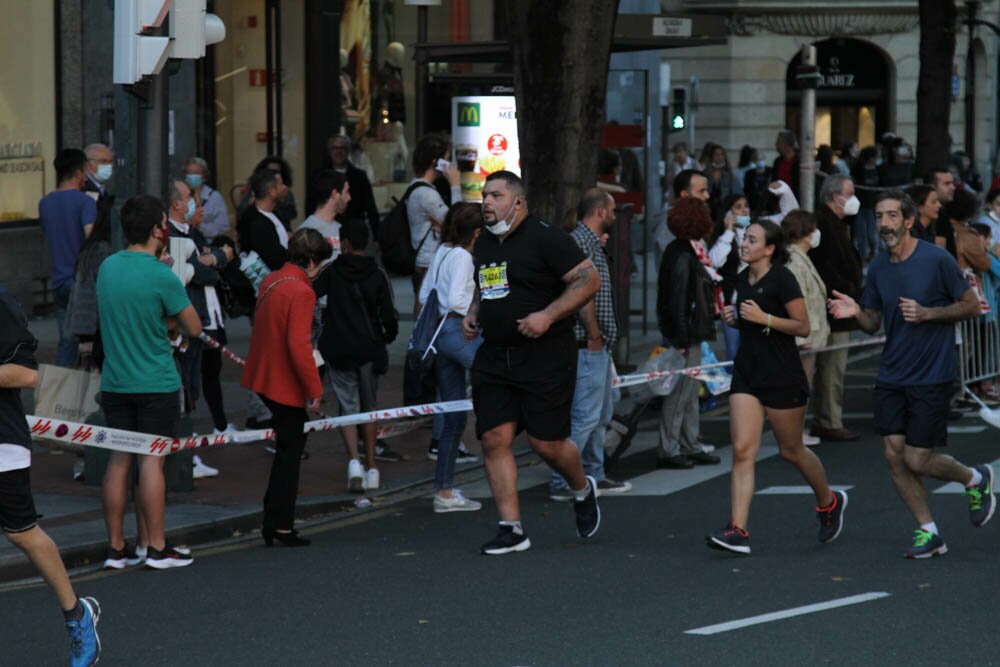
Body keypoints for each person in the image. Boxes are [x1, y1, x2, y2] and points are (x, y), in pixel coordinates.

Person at [829, 190, 995, 558]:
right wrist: (855, 310)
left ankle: (975, 478)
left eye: (891, 216)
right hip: (892, 373)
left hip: (932, 372)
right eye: (879, 216)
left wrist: (928, 314)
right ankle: (929, 530)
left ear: (908, 221)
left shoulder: (936, 259)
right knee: (893, 456)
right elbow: (873, 323)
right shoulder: (880, 267)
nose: (884, 223)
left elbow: (971, 305)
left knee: (917, 459)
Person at [462, 170, 601, 554]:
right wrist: (474, 311)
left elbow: (588, 281)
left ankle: (581, 487)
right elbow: (486, 282)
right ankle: (512, 528)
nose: (486, 202)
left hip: (545, 355)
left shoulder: (546, 237)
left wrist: (548, 316)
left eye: (495, 196)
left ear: (517, 202)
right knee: (494, 438)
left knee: (546, 444)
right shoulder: (485, 242)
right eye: (484, 195)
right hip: (494, 355)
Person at [708, 220, 846, 555]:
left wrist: (764, 319)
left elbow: (802, 326)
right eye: (744, 237)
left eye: (752, 239)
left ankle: (829, 502)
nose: (744, 243)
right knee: (742, 450)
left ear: (769, 249)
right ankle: (738, 530)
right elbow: (747, 319)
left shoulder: (783, 278)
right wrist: (734, 319)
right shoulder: (739, 280)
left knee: (791, 450)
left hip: (782, 374)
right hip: (748, 374)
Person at [97, 194, 201, 569]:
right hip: (155, 381)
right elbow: (194, 326)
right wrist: (168, 318)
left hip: (115, 381)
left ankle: (116, 548)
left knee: (118, 461)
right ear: (159, 229)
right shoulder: (161, 275)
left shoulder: (107, 267)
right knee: (151, 462)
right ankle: (156, 547)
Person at [0, 284, 102, 666]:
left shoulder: (1, 301)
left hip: (2, 445)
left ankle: (77, 615)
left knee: (22, 532)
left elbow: (26, 374)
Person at [242, 228, 330, 547]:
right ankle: (280, 524)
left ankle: (274, 521)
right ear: (310, 261)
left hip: (265, 374)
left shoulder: (272, 280)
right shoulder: (302, 292)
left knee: (284, 454)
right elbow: (299, 344)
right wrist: (314, 389)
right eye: (318, 263)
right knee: (289, 457)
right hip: (286, 383)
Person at [549, 189, 632, 500]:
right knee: (585, 416)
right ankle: (562, 480)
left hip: (594, 345)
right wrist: (595, 335)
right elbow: (582, 295)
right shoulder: (581, 243)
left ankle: (593, 474)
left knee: (597, 414)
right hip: (587, 345)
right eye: (611, 210)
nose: (613, 216)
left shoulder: (586, 242)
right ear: (600, 212)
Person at [316, 219, 398, 493]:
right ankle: (373, 466)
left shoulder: (332, 272)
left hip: (338, 348)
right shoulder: (377, 274)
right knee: (370, 408)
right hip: (368, 349)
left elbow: (310, 293)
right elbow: (389, 316)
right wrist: (386, 337)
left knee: (347, 407)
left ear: (346, 244)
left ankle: (354, 463)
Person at [418, 203, 486, 512]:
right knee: (496, 369)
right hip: (456, 332)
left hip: (438, 335)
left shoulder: (445, 252)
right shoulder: (462, 257)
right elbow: (456, 299)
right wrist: (475, 304)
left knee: (453, 414)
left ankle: (444, 492)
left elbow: (424, 296)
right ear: (476, 232)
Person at [165, 179, 233, 476]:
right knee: (186, 383)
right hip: (185, 322)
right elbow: (203, 274)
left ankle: (187, 452)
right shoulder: (171, 236)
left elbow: (210, 272)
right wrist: (209, 262)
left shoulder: (190, 233)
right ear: (177, 204)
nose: (196, 202)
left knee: (194, 382)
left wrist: (208, 262)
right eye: (190, 197)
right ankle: (184, 457)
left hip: (201, 318)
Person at [655, 190, 723, 469]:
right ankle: (671, 447)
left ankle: (688, 443)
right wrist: (682, 338)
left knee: (688, 391)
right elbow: (679, 299)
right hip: (686, 333)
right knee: (681, 393)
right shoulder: (684, 255)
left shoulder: (681, 251)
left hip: (687, 331)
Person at [808, 174, 863, 442]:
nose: (853, 199)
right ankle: (829, 419)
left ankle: (828, 417)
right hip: (834, 305)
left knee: (832, 366)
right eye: (849, 193)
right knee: (832, 367)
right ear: (834, 196)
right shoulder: (825, 225)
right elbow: (826, 266)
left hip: (839, 303)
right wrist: (846, 291)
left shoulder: (838, 224)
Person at [38, 148, 96, 367]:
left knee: (67, 340)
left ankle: (62, 394)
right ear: (79, 173)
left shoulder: (45, 203)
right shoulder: (85, 202)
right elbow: (90, 237)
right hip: (81, 281)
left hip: (58, 280)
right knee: (89, 342)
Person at [781, 210, 830, 447]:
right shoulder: (794, 261)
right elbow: (797, 303)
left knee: (802, 386)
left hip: (810, 334)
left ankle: (795, 432)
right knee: (799, 387)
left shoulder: (801, 257)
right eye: (813, 229)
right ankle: (794, 434)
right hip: (804, 337)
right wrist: (802, 337)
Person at [408, 134, 461, 318]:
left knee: (422, 306)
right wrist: (455, 185)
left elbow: (446, 222)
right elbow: (456, 220)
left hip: (423, 258)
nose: (449, 163)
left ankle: (418, 345)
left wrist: (443, 225)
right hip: (428, 260)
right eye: (446, 159)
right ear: (435, 162)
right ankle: (420, 345)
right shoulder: (426, 193)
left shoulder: (417, 187)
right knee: (425, 309)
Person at [709, 193, 752, 361]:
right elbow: (715, 260)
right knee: (733, 353)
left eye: (746, 206)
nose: (744, 211)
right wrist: (728, 232)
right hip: (733, 303)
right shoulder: (724, 237)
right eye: (738, 207)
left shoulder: (755, 231)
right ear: (728, 212)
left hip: (754, 301)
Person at [326, 134, 381, 237]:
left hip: (354, 234)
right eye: (335, 148)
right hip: (328, 233)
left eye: (342, 148)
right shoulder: (322, 176)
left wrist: (377, 236)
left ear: (347, 151)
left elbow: (370, 207)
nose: (339, 152)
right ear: (330, 151)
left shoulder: (360, 177)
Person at [237, 167, 290, 274]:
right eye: (280, 184)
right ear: (271, 191)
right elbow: (274, 258)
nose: (284, 187)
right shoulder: (256, 222)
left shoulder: (275, 212)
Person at [301, 169, 351, 259]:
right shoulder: (308, 232)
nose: (349, 198)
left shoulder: (339, 228)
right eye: (346, 192)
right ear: (334, 194)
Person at [183, 156, 230, 242]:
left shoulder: (214, 197)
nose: (192, 176)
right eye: (189, 172)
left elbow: (223, 227)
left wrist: (198, 225)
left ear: (204, 177)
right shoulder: (179, 196)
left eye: (196, 173)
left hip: (208, 244)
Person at [851, 146, 881, 263]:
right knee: (860, 235)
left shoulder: (878, 169)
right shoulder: (858, 169)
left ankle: (873, 254)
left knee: (872, 235)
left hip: (872, 206)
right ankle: (862, 258)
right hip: (860, 206)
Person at [927, 167, 958, 257]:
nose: (953, 187)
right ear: (932, 187)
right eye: (947, 184)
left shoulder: (944, 212)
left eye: (952, 183)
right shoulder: (937, 215)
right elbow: (939, 254)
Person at [705, 144, 734, 216]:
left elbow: (733, 192)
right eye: (716, 155)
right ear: (712, 157)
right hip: (708, 207)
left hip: (724, 207)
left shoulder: (729, 174)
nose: (720, 157)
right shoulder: (706, 173)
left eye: (722, 154)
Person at [772, 130, 800, 200]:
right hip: (779, 205)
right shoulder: (777, 162)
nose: (776, 144)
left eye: (778, 142)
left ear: (785, 144)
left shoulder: (799, 162)